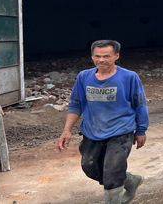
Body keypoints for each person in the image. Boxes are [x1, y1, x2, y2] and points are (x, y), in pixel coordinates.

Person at [57, 40, 149, 204]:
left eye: (106, 56)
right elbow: (76, 104)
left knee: (112, 172)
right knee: (90, 167)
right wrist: (67, 130)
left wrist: (141, 130)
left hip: (121, 132)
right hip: (92, 132)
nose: (101, 60)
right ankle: (130, 180)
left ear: (116, 56)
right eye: (97, 56)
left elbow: (140, 104)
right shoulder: (84, 77)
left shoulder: (129, 77)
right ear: (92, 57)